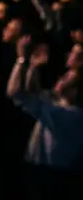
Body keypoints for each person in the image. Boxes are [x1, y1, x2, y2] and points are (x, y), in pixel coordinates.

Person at [8, 36, 83, 170]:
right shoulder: (60, 104)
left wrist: (22, 59)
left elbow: (16, 93)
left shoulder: (69, 115)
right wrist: (33, 65)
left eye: (68, 76)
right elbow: (34, 91)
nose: (61, 78)